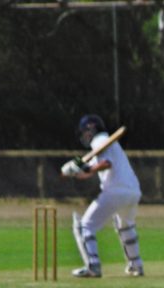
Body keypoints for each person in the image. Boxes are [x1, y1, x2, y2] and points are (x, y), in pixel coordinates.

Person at [61, 114, 145, 277]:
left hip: (115, 191)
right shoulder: (107, 144)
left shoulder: (99, 140)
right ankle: (136, 265)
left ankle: (93, 266)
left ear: (90, 130)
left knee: (84, 226)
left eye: (84, 132)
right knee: (125, 226)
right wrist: (75, 169)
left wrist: (87, 169)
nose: (84, 136)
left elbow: (105, 164)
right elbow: (90, 166)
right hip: (132, 191)